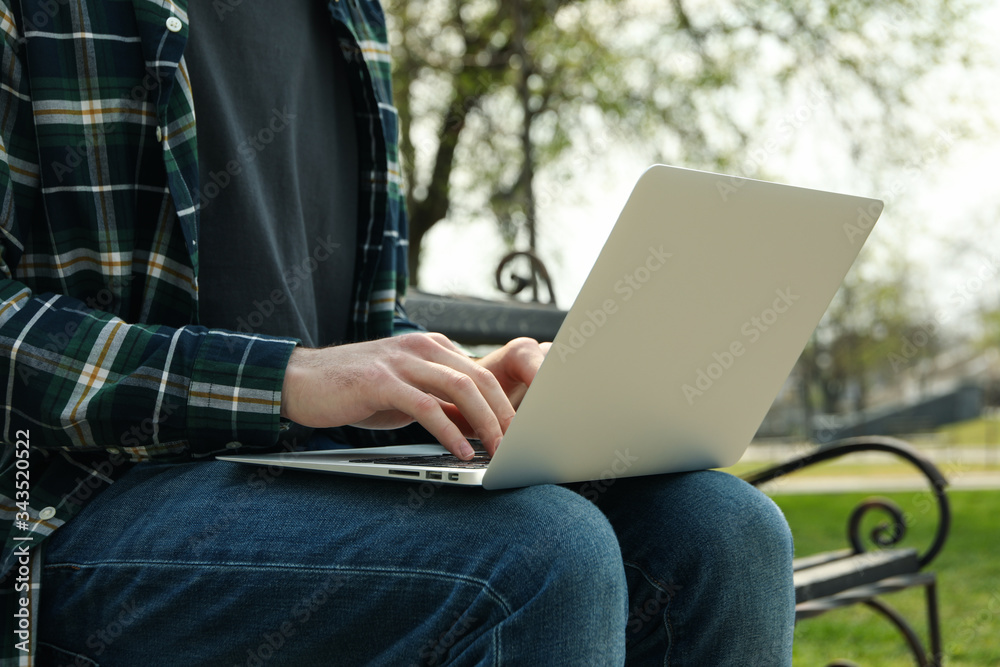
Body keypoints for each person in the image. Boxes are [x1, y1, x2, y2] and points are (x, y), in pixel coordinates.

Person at [0, 1, 795, 664]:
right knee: (538, 555)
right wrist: (281, 379)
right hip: (75, 503)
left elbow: (358, 329)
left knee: (723, 532)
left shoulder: (354, 12)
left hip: (313, 476)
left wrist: (456, 381)